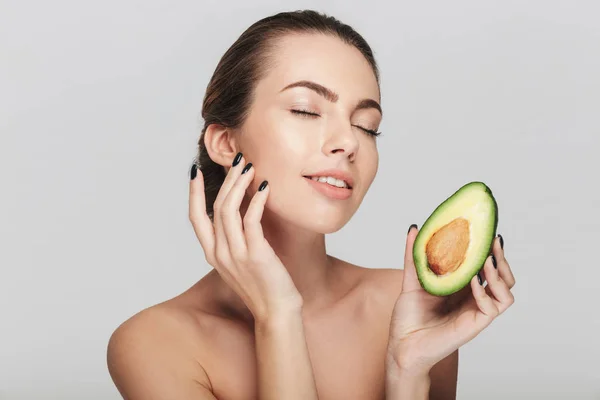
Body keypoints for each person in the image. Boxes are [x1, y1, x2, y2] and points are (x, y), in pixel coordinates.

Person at [106, 9, 516, 400]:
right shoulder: (153, 343)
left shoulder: (407, 305)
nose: (349, 141)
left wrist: (407, 374)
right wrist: (279, 315)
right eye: (305, 110)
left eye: (366, 126)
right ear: (226, 143)